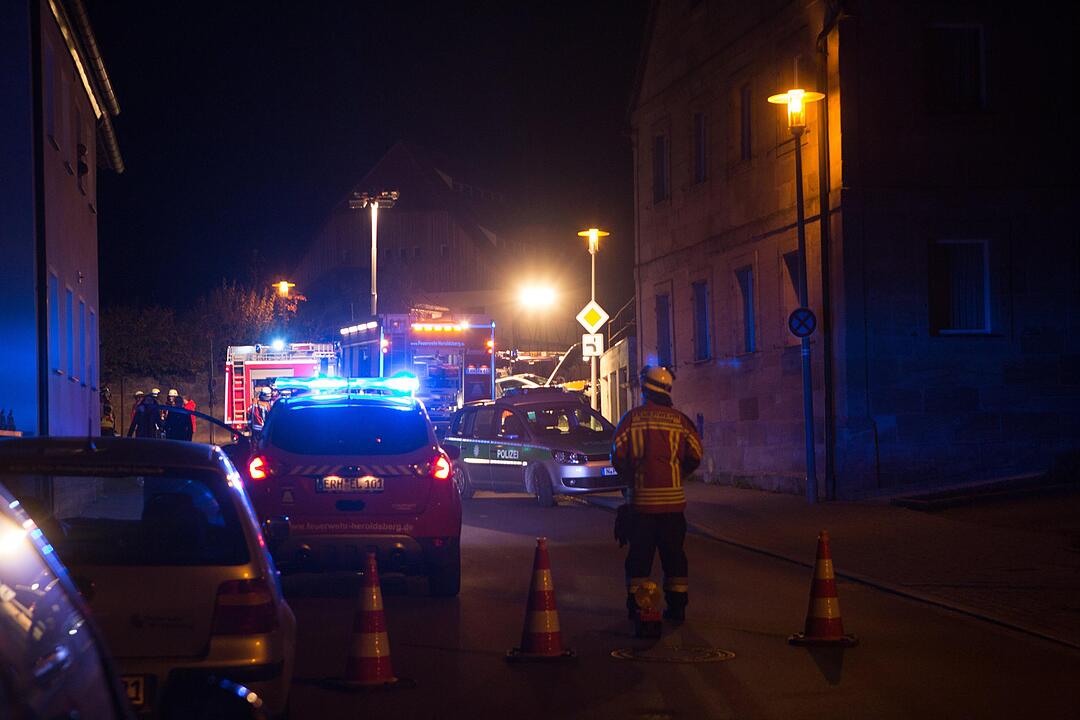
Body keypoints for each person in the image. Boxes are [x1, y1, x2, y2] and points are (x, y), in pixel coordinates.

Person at [610, 366, 703, 623]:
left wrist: (631, 478)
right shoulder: (681, 421)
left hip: (641, 506)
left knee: (639, 560)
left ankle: (638, 608)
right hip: (673, 507)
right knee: (674, 559)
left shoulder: (632, 419)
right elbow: (696, 454)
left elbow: (616, 455)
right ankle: (677, 609)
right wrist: (678, 474)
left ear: (644, 389)